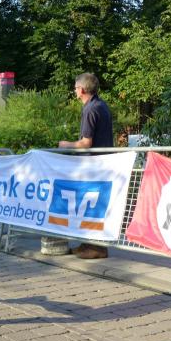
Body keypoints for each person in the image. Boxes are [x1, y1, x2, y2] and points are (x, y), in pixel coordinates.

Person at [59, 72, 113, 259]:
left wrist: (66, 144)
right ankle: (88, 243)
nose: (74, 91)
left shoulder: (90, 109)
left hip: (94, 164)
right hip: (101, 163)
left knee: (92, 205)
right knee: (91, 204)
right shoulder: (101, 105)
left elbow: (86, 143)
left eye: (75, 88)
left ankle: (97, 247)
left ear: (81, 89)